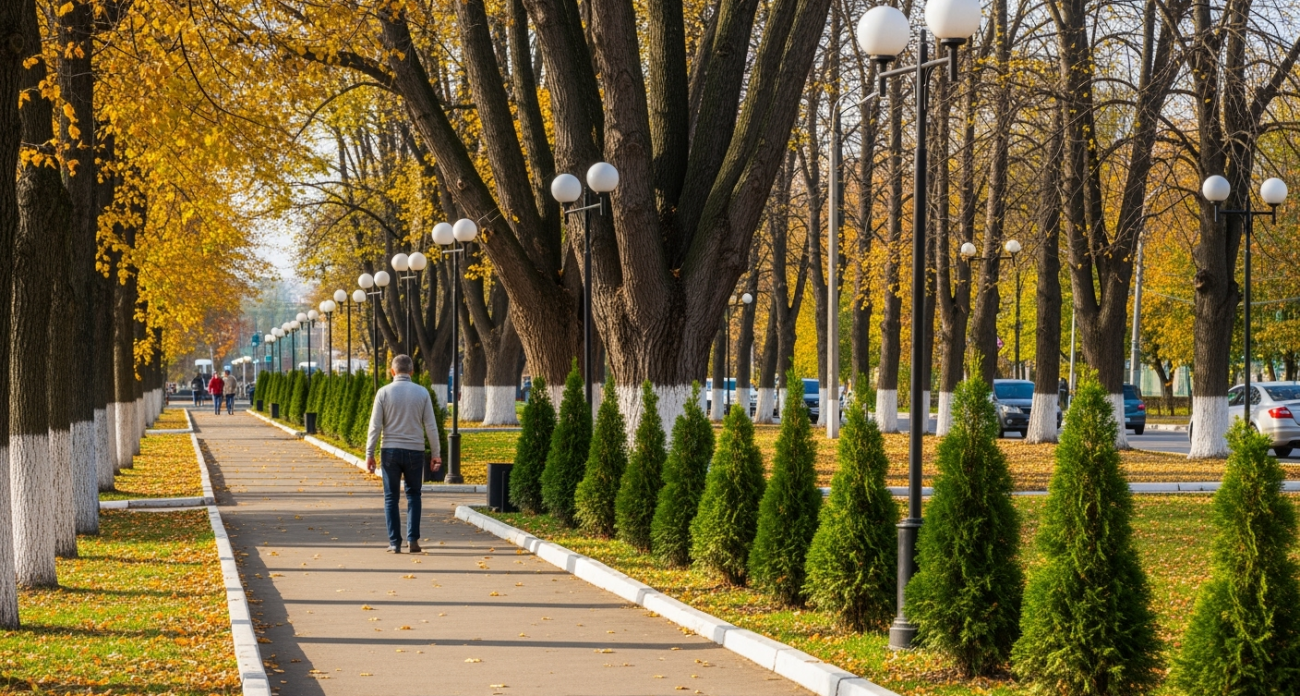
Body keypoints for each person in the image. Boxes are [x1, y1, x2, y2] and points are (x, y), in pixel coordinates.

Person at [366, 354, 442, 554]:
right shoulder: (422, 393)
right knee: (414, 495)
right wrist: (436, 453)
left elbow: (375, 426)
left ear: (393, 371)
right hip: (415, 451)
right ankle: (413, 540)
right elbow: (431, 426)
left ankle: (394, 542)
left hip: (389, 450)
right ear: (412, 372)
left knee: (391, 497)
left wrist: (369, 454)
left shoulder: (383, 393)